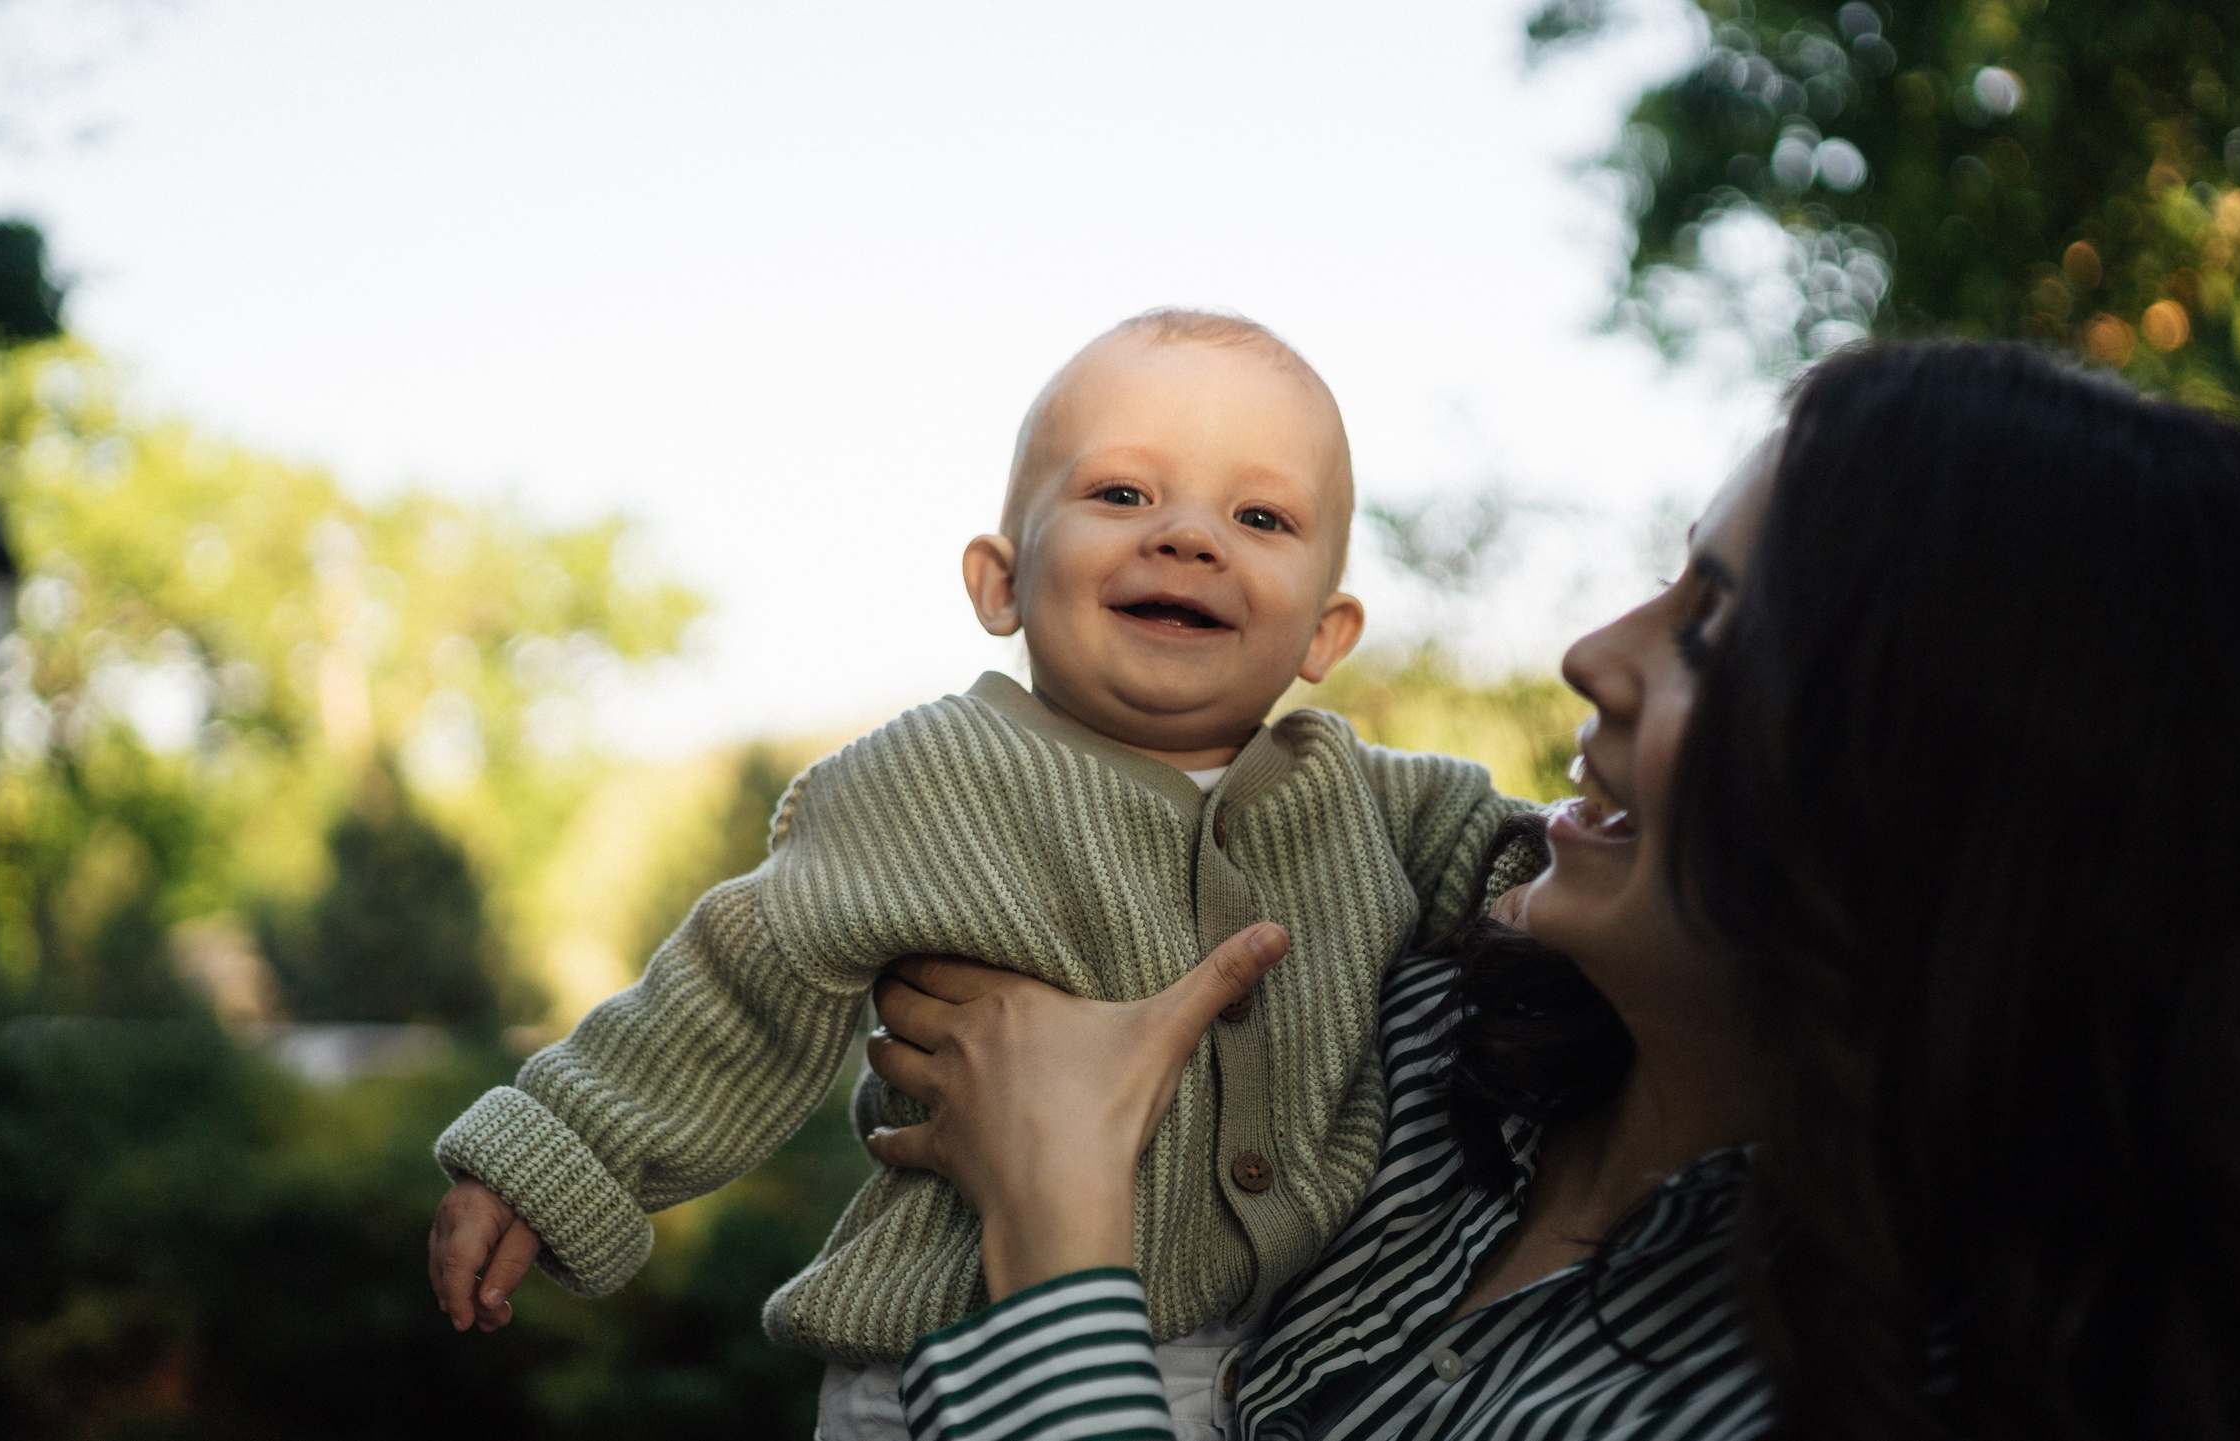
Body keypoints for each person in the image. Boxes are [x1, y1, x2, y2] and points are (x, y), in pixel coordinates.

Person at [859, 341, 2240, 1441]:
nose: (1594, 653)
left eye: (1711, 626)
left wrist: (1060, 1240)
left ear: (1968, 794)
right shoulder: (1381, 1052)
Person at [423, 309, 1538, 1440]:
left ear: (1325, 632)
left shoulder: (1381, 800)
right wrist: (557, 1149)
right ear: (1000, 582)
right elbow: (743, 980)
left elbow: (1552, 863)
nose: (1191, 537)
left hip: (1275, 1371)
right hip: (944, 1354)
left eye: (1259, 516)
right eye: (1122, 495)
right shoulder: (929, 774)